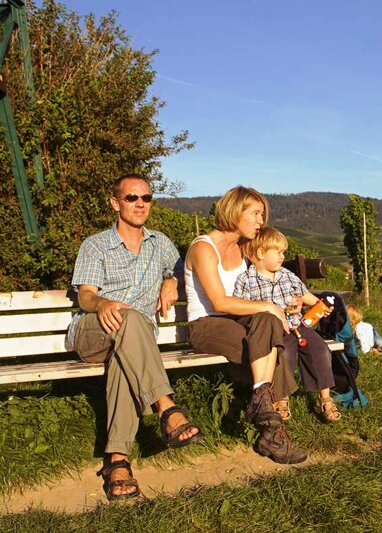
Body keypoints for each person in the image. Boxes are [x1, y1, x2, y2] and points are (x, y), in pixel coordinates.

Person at [66, 174, 204, 501]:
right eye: (132, 198)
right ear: (116, 203)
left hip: (131, 342)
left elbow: (185, 268)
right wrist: (101, 304)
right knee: (128, 319)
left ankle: (117, 462)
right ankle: (167, 408)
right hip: (92, 331)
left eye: (146, 197)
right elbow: (85, 296)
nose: (140, 203)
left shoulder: (160, 243)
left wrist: (174, 282)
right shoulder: (96, 245)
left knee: (123, 359)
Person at [184, 186, 307, 464]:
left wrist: (291, 302)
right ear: (235, 212)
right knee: (268, 344)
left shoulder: (244, 247)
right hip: (207, 324)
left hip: (241, 322)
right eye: (255, 213)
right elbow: (219, 302)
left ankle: (262, 409)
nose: (261, 221)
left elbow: (271, 275)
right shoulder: (204, 247)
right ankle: (273, 432)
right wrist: (267, 306)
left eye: (262, 214)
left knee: (267, 323)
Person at [234, 227, 341, 423]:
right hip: (275, 331)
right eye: (279, 252)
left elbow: (305, 295)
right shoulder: (246, 280)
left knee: (320, 350)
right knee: (284, 354)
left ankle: (325, 397)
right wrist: (276, 310)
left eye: (284, 252)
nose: (283, 256)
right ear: (260, 253)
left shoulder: (287, 275)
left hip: (298, 326)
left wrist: (319, 305)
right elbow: (243, 307)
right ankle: (281, 398)